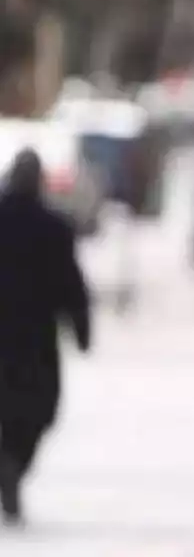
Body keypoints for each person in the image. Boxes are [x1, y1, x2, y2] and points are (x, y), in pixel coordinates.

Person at [0, 150, 92, 527]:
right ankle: (13, 465)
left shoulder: (54, 226)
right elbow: (73, 285)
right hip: (36, 339)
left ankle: (8, 464)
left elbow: (70, 281)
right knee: (39, 410)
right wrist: (82, 328)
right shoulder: (55, 226)